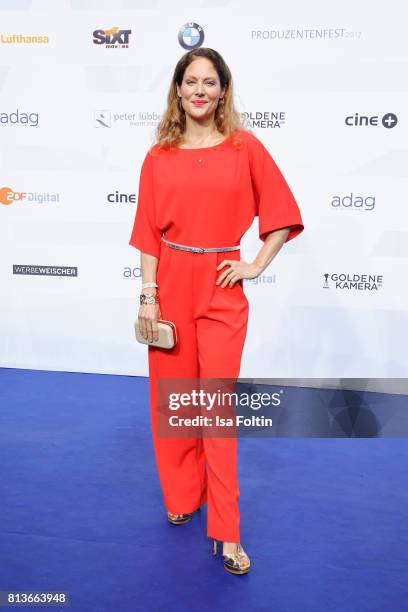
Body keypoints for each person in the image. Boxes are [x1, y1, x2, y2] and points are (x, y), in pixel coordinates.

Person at [129, 47, 304, 575]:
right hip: (172, 285)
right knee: (176, 400)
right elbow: (147, 235)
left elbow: (282, 213)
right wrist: (148, 294)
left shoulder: (244, 147)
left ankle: (226, 530)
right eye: (191, 81)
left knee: (217, 410)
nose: (200, 90)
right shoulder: (158, 155)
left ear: (223, 90)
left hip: (222, 285)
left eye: (210, 82)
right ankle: (182, 492)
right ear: (177, 90)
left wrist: (254, 264)